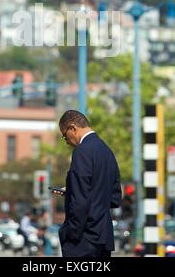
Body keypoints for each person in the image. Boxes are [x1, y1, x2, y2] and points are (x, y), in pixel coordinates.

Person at [56, 109, 122, 258]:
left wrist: (71, 233)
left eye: (65, 136)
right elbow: (115, 198)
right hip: (104, 238)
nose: (67, 141)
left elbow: (80, 201)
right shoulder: (107, 151)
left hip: (83, 239)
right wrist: (72, 190)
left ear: (73, 128)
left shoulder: (82, 152)